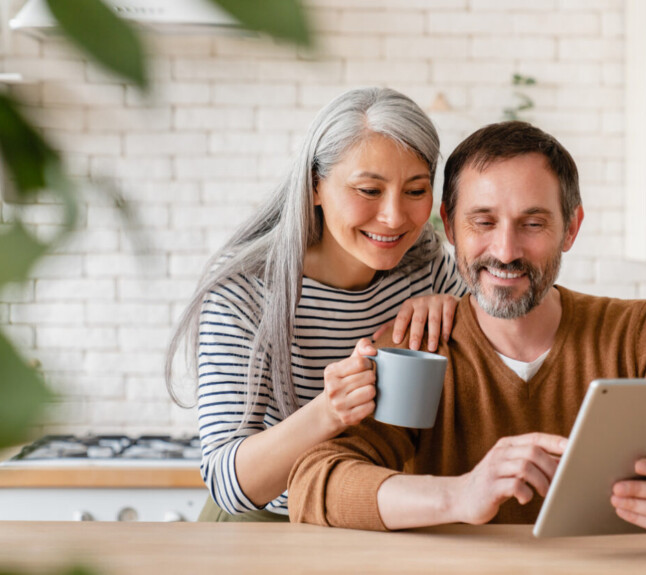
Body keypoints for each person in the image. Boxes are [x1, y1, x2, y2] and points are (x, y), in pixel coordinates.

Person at [288, 121, 646, 539]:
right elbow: (316, 483)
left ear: (571, 229)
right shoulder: (417, 345)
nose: (506, 249)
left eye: (532, 223)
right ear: (450, 229)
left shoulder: (636, 334)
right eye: (483, 221)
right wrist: (460, 495)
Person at [165, 87, 466, 521]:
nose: (395, 216)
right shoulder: (246, 289)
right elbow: (227, 483)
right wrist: (329, 411)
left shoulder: (427, 268)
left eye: (416, 191)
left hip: (371, 515)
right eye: (368, 190)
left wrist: (458, 312)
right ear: (314, 187)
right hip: (266, 521)